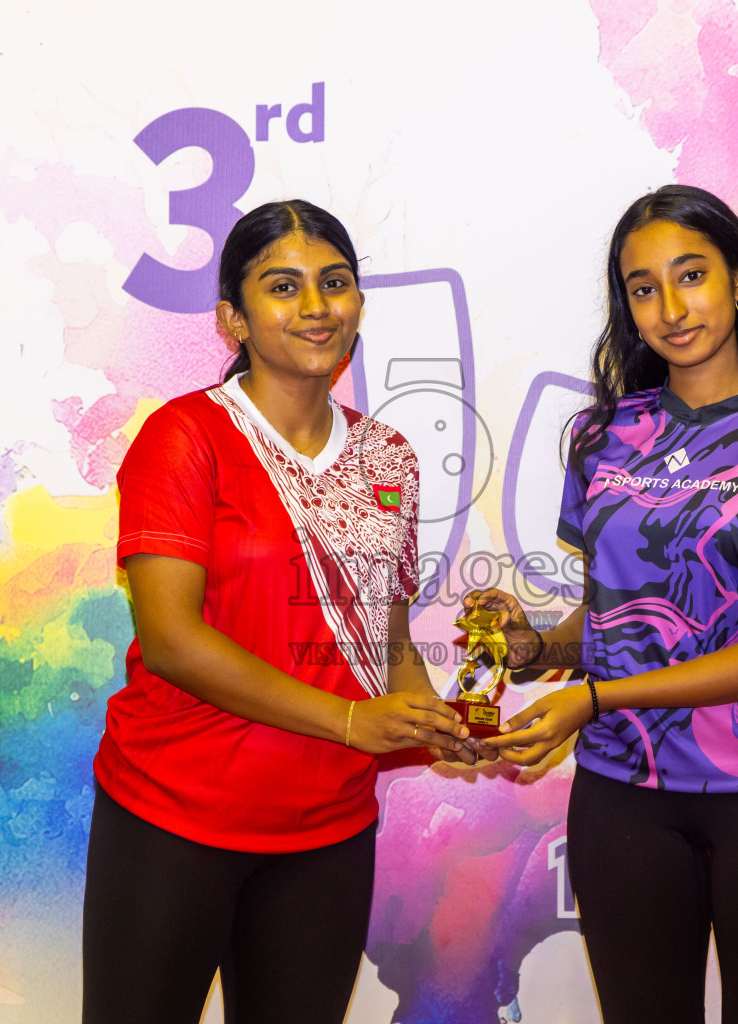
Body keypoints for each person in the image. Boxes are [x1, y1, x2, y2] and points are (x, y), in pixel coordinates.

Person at [474, 184, 738, 1023]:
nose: (671, 307)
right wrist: (538, 649)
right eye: (643, 287)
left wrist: (596, 698)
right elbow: (618, 615)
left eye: (692, 275)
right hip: (624, 795)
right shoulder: (604, 435)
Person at [82, 199, 471, 1024]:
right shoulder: (186, 437)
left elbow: (383, 636)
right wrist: (350, 721)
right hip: (174, 817)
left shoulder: (387, 455)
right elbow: (173, 641)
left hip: (328, 831)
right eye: (283, 286)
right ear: (234, 318)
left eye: (334, 283)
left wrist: (432, 716)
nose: (316, 306)